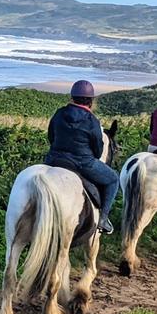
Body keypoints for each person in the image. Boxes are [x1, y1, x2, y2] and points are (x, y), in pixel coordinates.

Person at [45, 80, 119, 235]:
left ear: (72, 97)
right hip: (82, 162)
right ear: (90, 101)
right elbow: (98, 151)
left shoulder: (59, 113)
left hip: (54, 159)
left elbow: (51, 136)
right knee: (113, 179)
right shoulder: (92, 121)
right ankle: (103, 219)